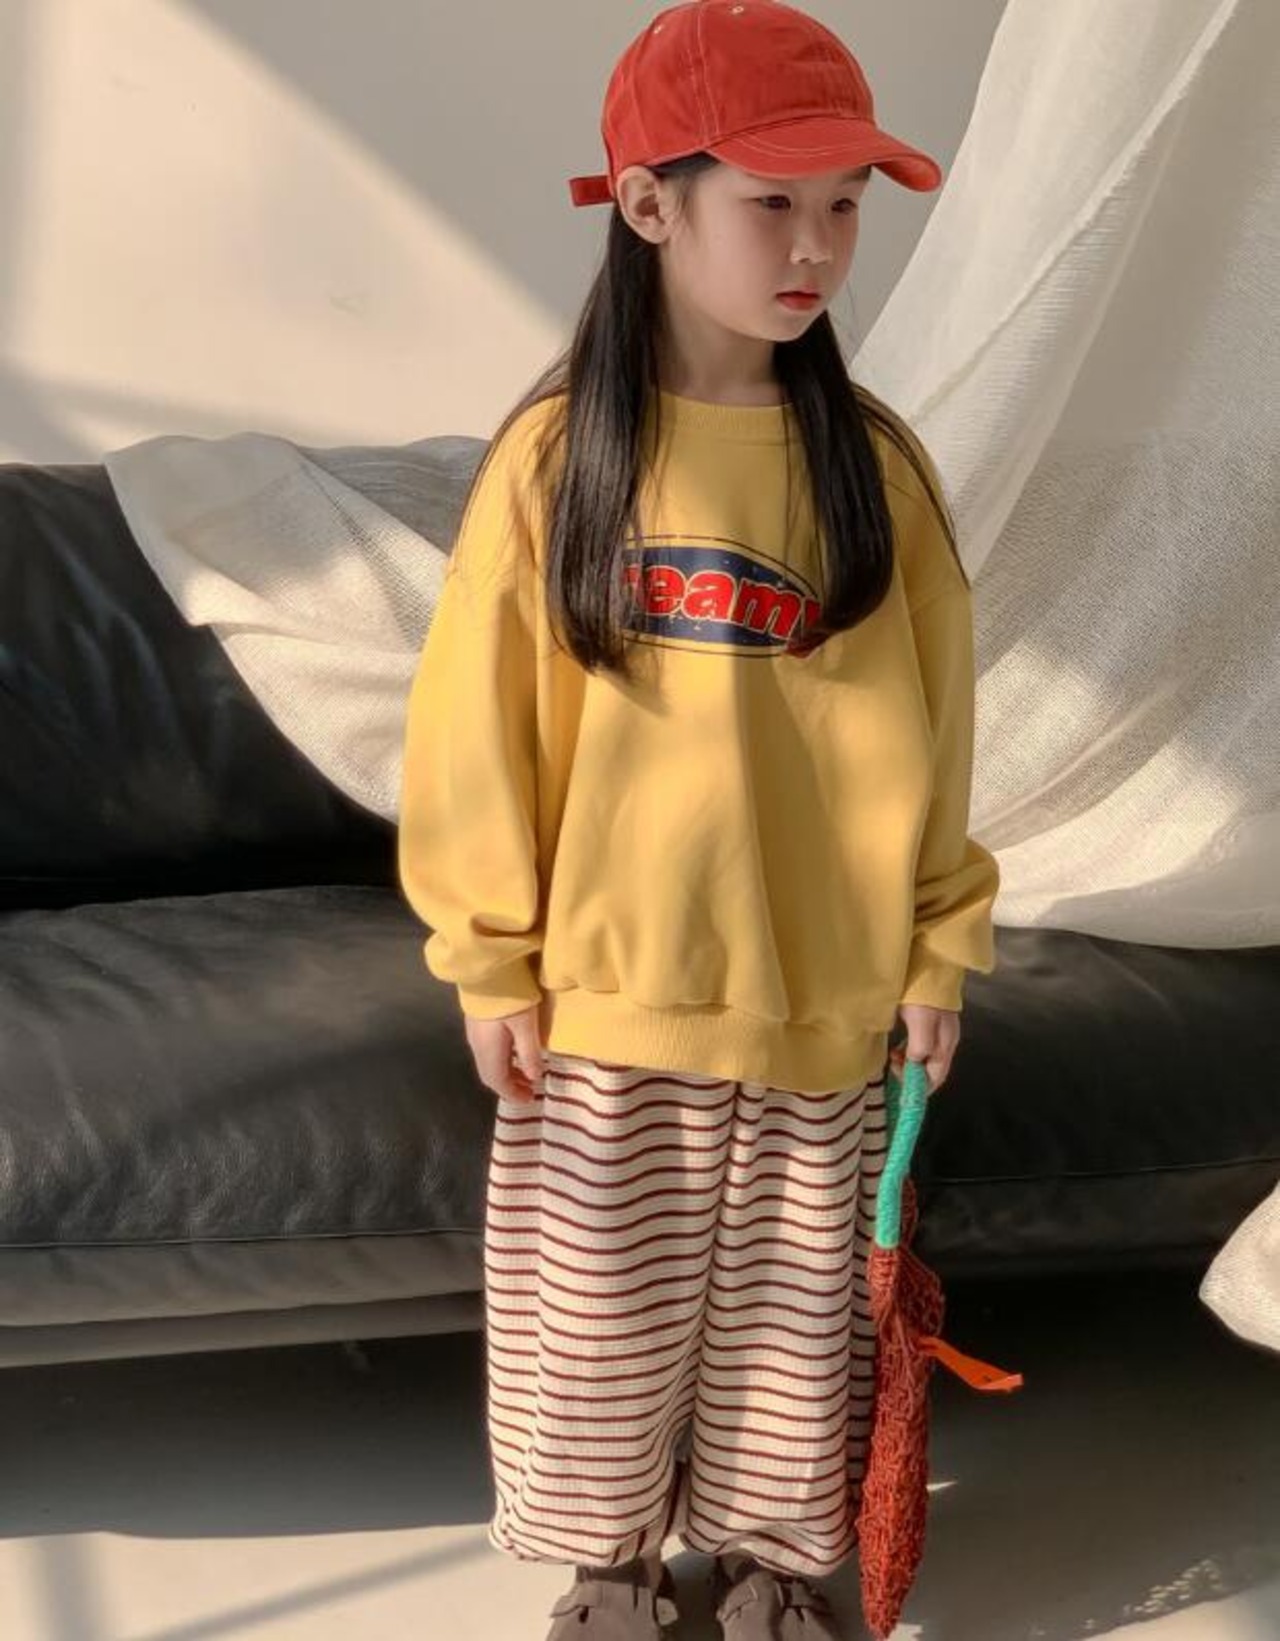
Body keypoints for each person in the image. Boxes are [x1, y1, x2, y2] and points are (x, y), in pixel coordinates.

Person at [397, 3, 1000, 1637]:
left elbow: (938, 731)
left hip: (823, 1009)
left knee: (792, 1336)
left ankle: (762, 1565)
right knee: (596, 1329)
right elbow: (475, 732)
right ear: (649, 204)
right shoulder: (557, 461)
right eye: (773, 201)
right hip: (609, 1005)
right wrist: (489, 956)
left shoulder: (876, 471)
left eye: (845, 206)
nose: (817, 248)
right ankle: (610, 1569)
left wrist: (937, 948)